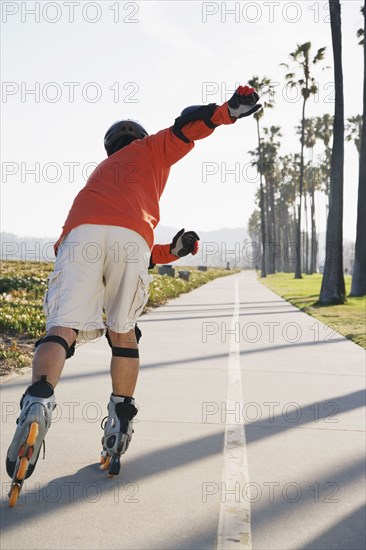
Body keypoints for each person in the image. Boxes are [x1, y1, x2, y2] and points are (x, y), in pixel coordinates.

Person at [6, 84, 261, 505]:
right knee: (123, 333)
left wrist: (170, 251)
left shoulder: (100, 175)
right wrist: (228, 111)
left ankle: (37, 402)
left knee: (61, 328)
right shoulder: (151, 150)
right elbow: (187, 127)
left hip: (80, 234)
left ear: (110, 149)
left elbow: (109, 234)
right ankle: (120, 420)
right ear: (139, 139)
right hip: (132, 241)